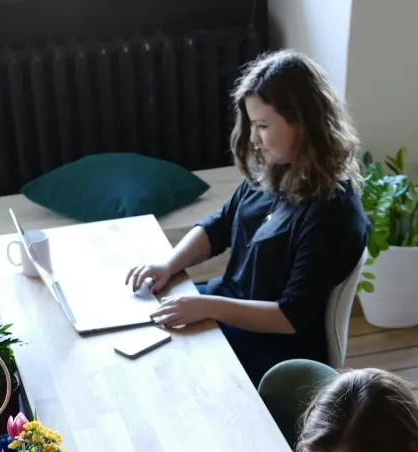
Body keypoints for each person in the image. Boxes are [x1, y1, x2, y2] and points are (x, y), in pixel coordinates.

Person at [125, 49, 368, 392]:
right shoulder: (274, 171)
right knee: (142, 332)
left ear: (303, 123)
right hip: (228, 307)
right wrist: (168, 265)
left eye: (263, 126)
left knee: (164, 364)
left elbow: (290, 317)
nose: (253, 137)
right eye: (252, 124)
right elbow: (219, 225)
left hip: (275, 349)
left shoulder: (333, 213)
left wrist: (206, 305)